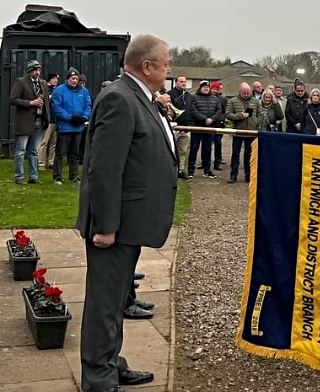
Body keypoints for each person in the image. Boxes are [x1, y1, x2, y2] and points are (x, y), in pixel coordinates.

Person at [75, 34, 176, 392]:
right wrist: (104, 226)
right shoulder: (120, 97)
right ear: (147, 67)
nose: (168, 69)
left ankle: (110, 363)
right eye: (165, 63)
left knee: (117, 300)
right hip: (113, 226)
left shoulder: (139, 97)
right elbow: (104, 169)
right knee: (104, 304)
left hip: (129, 223)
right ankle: (99, 380)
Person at [10, 59, 51, 184]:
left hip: (39, 120)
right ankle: (19, 176)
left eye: (39, 70)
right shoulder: (21, 82)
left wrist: (46, 117)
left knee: (34, 150)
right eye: (35, 70)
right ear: (29, 71)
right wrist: (30, 103)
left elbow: (47, 103)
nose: (37, 73)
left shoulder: (43, 83)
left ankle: (33, 176)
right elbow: (13, 99)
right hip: (24, 121)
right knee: (21, 150)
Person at [51, 67, 92, 185]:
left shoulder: (83, 91)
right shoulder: (59, 90)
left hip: (78, 127)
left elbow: (88, 105)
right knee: (60, 153)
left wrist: (84, 117)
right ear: (68, 79)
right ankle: (57, 176)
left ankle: (73, 176)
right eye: (72, 78)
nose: (74, 81)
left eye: (76, 79)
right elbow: (56, 107)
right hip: (64, 127)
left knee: (75, 153)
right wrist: (69, 117)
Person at [227, 82, 261, 183]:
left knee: (249, 154)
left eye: (248, 93)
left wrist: (255, 122)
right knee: (236, 154)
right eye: (244, 93)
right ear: (240, 92)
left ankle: (248, 175)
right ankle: (233, 174)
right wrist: (240, 116)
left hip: (251, 132)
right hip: (238, 132)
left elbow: (260, 114)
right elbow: (228, 114)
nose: (246, 95)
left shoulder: (255, 102)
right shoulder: (233, 101)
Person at [188, 80, 222, 179]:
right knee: (194, 149)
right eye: (204, 87)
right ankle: (190, 171)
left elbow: (219, 110)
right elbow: (193, 111)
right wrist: (204, 119)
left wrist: (212, 119)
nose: (206, 88)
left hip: (209, 128)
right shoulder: (194, 97)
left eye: (207, 87)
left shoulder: (214, 98)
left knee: (207, 149)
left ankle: (207, 170)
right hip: (197, 127)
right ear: (200, 88)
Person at [167, 75, 194, 179]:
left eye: (185, 82)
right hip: (175, 127)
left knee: (182, 151)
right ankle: (170, 170)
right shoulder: (170, 94)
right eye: (181, 81)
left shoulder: (188, 96)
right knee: (171, 150)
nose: (183, 83)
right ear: (176, 82)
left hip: (186, 127)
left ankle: (180, 170)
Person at [38, 72, 59, 170]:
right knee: (44, 142)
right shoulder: (45, 89)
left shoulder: (57, 90)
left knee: (53, 143)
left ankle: (51, 162)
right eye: (54, 78)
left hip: (56, 119)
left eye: (57, 79)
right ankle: (41, 163)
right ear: (49, 79)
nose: (56, 80)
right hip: (48, 119)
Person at [210, 81, 228, 171]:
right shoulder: (207, 98)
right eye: (214, 89)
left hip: (218, 125)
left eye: (217, 89)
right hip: (209, 124)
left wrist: (220, 119)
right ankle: (205, 162)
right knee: (208, 144)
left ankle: (217, 162)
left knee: (218, 144)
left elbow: (225, 112)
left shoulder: (223, 99)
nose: (215, 91)